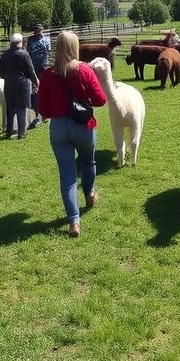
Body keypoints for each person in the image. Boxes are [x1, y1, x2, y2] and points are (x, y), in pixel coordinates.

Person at [37, 31, 107, 237]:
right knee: (88, 162)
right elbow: (101, 100)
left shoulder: (48, 74)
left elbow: (43, 109)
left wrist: (56, 112)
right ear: (74, 47)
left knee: (67, 175)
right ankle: (90, 195)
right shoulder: (85, 70)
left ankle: (74, 222)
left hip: (58, 128)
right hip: (83, 126)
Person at [0, 33, 40, 140]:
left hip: (8, 84)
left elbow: (1, 73)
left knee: (10, 107)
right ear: (20, 42)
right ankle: (21, 132)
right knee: (22, 107)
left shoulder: (4, 55)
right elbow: (31, 71)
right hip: (22, 84)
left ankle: (9, 131)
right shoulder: (24, 54)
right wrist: (36, 82)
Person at [27, 24, 52, 128]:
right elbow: (28, 52)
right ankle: (36, 112)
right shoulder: (30, 40)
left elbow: (48, 51)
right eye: (36, 31)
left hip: (43, 66)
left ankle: (45, 113)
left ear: (42, 31)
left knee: (44, 88)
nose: (37, 32)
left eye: (39, 30)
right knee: (34, 91)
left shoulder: (46, 39)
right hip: (33, 67)